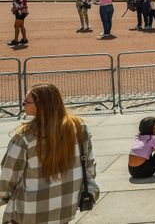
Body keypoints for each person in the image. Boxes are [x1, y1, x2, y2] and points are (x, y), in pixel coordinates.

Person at [0, 84, 99, 223]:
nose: (23, 105)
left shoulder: (25, 138)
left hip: (31, 213)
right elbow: (89, 167)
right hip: (66, 209)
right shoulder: (80, 130)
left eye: (27, 102)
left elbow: (8, 177)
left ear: (42, 106)